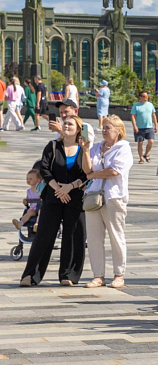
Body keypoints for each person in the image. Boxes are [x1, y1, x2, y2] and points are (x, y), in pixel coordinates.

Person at [20, 116, 88, 287]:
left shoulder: (84, 149)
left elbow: (87, 173)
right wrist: (58, 188)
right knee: (44, 235)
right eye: (65, 123)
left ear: (78, 129)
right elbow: (44, 168)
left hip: (75, 197)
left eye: (70, 124)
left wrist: (70, 187)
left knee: (73, 235)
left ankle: (68, 275)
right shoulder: (52, 146)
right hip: (52, 197)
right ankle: (30, 275)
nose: (66, 126)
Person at [81, 114, 132, 290]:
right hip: (93, 196)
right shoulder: (96, 147)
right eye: (103, 127)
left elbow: (114, 171)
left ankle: (119, 274)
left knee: (116, 235)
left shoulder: (123, 148)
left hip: (114, 196)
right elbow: (86, 169)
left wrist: (93, 175)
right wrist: (86, 150)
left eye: (108, 127)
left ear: (119, 131)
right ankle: (98, 275)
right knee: (94, 238)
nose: (104, 131)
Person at [130, 92, 158, 163]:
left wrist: (156, 125)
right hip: (139, 127)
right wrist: (135, 126)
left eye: (147, 96)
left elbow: (153, 115)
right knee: (140, 143)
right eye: (144, 96)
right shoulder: (136, 106)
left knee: (151, 141)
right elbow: (132, 116)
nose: (146, 98)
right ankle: (141, 158)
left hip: (149, 126)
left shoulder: (150, 105)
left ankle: (146, 153)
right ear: (140, 97)